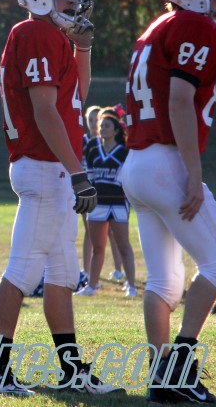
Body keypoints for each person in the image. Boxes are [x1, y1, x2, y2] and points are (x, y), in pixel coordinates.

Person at [0, 0, 123, 398]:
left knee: (63, 274)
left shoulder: (51, 36)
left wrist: (82, 48)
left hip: (53, 168)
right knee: (23, 272)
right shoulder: (35, 32)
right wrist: (79, 172)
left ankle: (71, 369)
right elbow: (46, 112)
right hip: (46, 166)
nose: (73, 0)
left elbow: (76, 97)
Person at [119, 0, 216, 404]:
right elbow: (178, 101)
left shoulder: (156, 27)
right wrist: (193, 172)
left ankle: (160, 375)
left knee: (164, 281)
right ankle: (180, 370)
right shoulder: (196, 27)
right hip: (164, 161)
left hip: (136, 164)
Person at [82, 109, 137, 297]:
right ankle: (92, 286)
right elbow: (89, 176)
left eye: (107, 126)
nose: (102, 129)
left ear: (115, 130)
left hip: (118, 204)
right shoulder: (92, 147)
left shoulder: (124, 151)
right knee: (98, 248)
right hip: (98, 203)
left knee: (123, 246)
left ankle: (132, 286)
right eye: (101, 126)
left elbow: (128, 179)